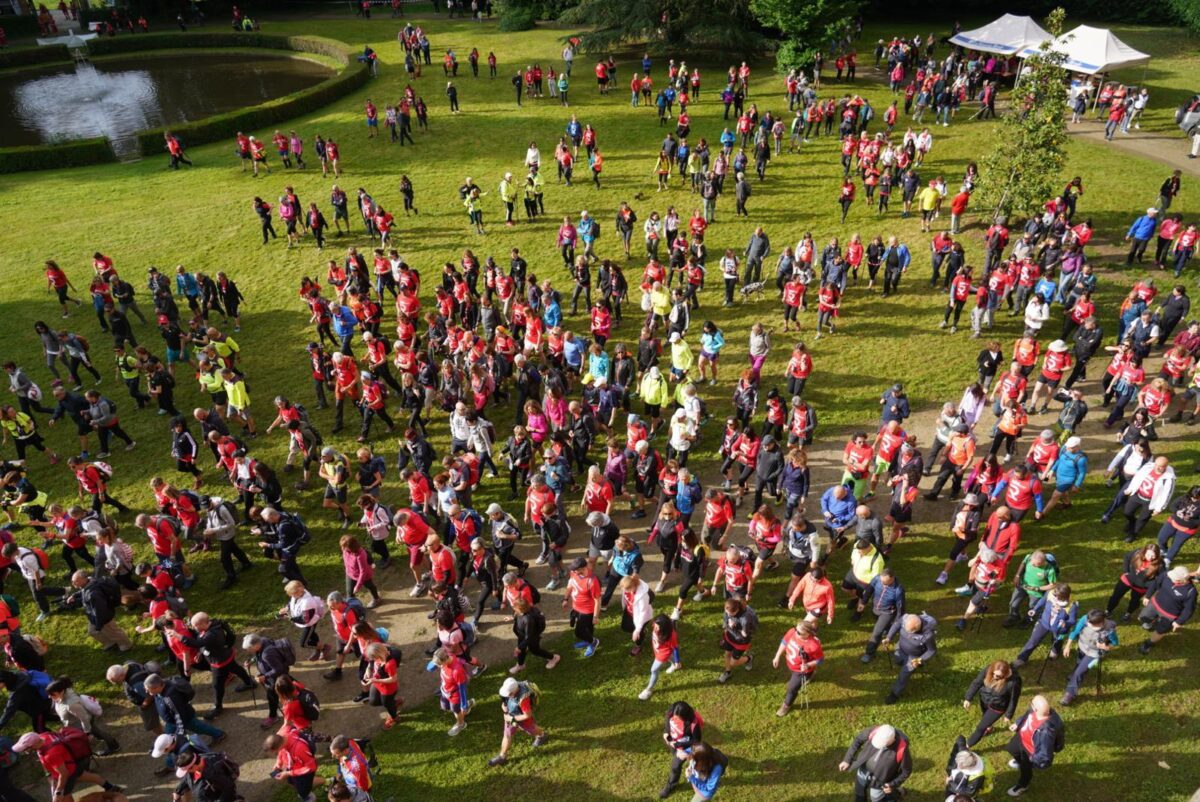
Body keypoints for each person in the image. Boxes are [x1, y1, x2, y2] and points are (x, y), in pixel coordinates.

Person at [11, 730, 123, 801]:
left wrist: (59, 791)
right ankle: (110, 787)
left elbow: (63, 773)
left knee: (65, 798)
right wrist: (49, 776)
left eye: (27, 748)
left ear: (35, 743)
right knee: (87, 775)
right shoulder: (44, 736)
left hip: (68, 773)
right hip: (73, 762)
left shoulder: (51, 754)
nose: (26, 751)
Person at [1004, 695, 1065, 797]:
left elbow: (1044, 753)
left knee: (1025, 769)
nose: (1030, 705)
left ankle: (1023, 785)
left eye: (1031, 704)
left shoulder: (1047, 730)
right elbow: (1027, 715)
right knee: (1012, 749)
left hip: (1030, 750)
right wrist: (1018, 723)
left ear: (1036, 709)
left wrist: (1033, 760)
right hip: (1021, 738)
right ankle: (1019, 761)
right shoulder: (1035, 711)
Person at [46, 675, 120, 756]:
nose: (49, 696)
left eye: (52, 694)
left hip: (82, 725)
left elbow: (84, 718)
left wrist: (87, 732)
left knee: (98, 733)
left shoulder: (72, 704)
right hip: (76, 724)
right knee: (98, 733)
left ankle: (114, 746)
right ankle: (112, 745)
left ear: (61, 691)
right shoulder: (63, 694)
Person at [838, 724, 912, 801]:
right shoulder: (874, 731)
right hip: (863, 770)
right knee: (859, 793)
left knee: (876, 798)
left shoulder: (902, 749)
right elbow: (858, 740)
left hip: (880, 779)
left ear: (891, 741)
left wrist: (892, 784)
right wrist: (847, 760)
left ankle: (895, 794)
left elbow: (906, 771)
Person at [1060, 609, 1117, 705]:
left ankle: (1070, 693)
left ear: (1101, 623)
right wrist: (1067, 646)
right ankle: (1074, 675)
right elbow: (1075, 631)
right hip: (1082, 647)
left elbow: (1115, 643)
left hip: (1095, 654)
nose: (1088, 624)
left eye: (1091, 625)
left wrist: (1105, 647)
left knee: (1080, 673)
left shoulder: (1109, 629)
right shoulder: (1085, 619)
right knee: (1078, 663)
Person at [488, 676, 547, 766]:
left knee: (531, 730)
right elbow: (506, 701)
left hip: (521, 719)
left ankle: (542, 735)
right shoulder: (512, 688)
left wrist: (512, 719)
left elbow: (528, 715)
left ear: (513, 692)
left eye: (508, 694)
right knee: (507, 734)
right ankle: (502, 756)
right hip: (510, 716)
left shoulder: (523, 700)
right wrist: (504, 708)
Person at [1137, 565, 1196, 654]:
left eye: (1174, 578)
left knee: (1160, 631)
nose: (1170, 577)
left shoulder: (1190, 592)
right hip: (1155, 604)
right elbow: (1156, 583)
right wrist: (1148, 596)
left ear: (1182, 580)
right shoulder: (1167, 575)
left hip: (1169, 615)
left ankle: (1149, 643)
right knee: (1142, 617)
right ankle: (1149, 623)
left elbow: (1188, 609)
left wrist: (1179, 622)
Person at [963, 660, 1022, 747]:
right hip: (985, 700)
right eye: (993, 674)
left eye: (998, 676)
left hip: (997, 707)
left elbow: (1014, 699)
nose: (994, 677)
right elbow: (977, 682)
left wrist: (1008, 715)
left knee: (981, 727)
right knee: (985, 717)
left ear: (1005, 674)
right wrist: (968, 698)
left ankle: (967, 746)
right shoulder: (988, 669)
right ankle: (989, 728)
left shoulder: (1013, 682)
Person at [772, 618, 823, 716]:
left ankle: (786, 706)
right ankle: (811, 675)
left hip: (801, 670)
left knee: (791, 688)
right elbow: (784, 642)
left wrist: (808, 665)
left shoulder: (813, 645)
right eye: (796, 630)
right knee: (794, 681)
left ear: (808, 633)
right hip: (791, 665)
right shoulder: (792, 632)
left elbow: (820, 659)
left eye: (800, 633)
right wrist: (777, 656)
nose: (796, 634)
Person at [885, 612, 937, 704]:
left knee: (903, 675)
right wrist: (889, 637)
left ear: (915, 630)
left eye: (909, 632)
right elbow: (897, 625)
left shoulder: (928, 635)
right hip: (900, 648)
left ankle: (894, 694)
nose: (907, 634)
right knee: (897, 660)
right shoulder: (906, 618)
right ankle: (904, 663)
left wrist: (919, 660)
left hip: (913, 657)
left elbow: (931, 651)